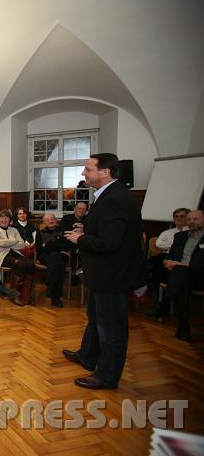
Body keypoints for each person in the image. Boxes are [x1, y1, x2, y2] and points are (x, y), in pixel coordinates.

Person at [63, 153, 144, 389]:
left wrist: (81, 238)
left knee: (110, 328)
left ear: (104, 172)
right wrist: (86, 228)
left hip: (112, 275)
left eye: (88, 169)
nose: (83, 173)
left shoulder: (115, 198)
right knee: (95, 318)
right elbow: (107, 230)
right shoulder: (109, 195)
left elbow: (109, 243)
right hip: (103, 274)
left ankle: (107, 376)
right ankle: (88, 355)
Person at [146, 210, 203, 341]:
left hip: (200, 275)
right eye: (189, 219)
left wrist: (181, 265)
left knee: (182, 273)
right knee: (182, 278)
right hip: (182, 276)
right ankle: (183, 325)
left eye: (196, 219)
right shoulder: (180, 236)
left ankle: (164, 305)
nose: (192, 222)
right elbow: (170, 255)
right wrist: (167, 261)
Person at [0, 210, 35, 306]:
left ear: (10, 220)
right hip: (1, 256)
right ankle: (14, 295)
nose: (4, 220)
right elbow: (1, 243)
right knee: (20, 264)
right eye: (2, 218)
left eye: (6, 218)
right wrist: (14, 241)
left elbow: (22, 245)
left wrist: (8, 242)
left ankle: (26, 295)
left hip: (15, 253)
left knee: (30, 264)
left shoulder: (14, 230)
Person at [35, 214, 73, 308]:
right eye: (47, 220)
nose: (50, 221)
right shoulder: (40, 233)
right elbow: (39, 249)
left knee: (56, 258)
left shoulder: (63, 232)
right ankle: (56, 298)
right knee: (57, 260)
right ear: (44, 223)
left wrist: (48, 245)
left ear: (56, 221)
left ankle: (50, 285)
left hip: (61, 256)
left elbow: (66, 246)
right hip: (46, 257)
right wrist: (57, 246)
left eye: (52, 219)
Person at [150, 208, 190, 287]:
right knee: (157, 264)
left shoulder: (192, 232)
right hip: (167, 255)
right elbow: (158, 244)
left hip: (185, 257)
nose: (178, 218)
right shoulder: (167, 232)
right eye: (176, 216)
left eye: (182, 216)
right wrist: (175, 246)